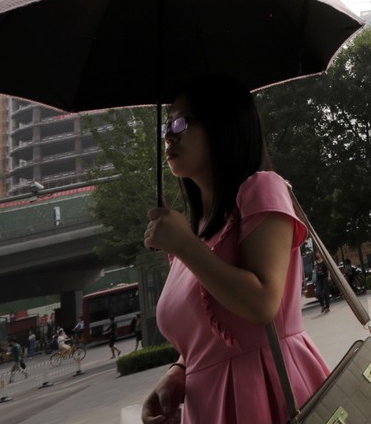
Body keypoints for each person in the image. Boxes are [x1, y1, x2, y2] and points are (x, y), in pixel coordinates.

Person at [141, 76, 330, 424]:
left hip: (270, 394)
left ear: (223, 124)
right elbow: (204, 339)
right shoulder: (192, 235)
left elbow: (262, 305)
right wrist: (177, 373)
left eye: (183, 121)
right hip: (209, 407)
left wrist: (184, 245)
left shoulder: (261, 189)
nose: (169, 134)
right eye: (168, 124)